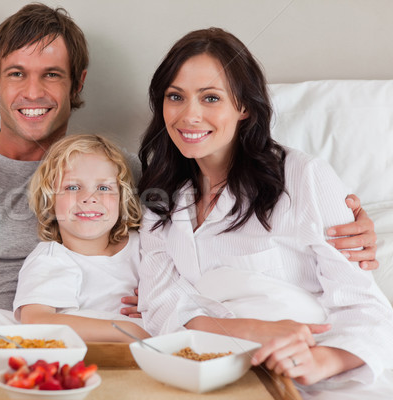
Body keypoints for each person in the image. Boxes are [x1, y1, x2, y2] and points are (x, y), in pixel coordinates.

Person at [0, 4, 377, 345]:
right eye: (16, 73)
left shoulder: (123, 171)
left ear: (78, 85)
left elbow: (207, 228)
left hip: (75, 345)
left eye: (52, 75)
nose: (32, 92)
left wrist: (339, 228)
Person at [137, 27, 393, 392]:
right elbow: (159, 307)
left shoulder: (303, 177)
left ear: (243, 106)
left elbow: (366, 309)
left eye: (210, 98)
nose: (188, 116)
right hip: (211, 374)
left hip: (311, 377)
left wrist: (321, 360)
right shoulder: (158, 196)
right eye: (175, 96)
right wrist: (251, 329)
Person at [13, 134, 149, 342]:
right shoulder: (51, 258)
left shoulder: (143, 244)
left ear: (122, 200)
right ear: (50, 201)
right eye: (73, 187)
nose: (89, 197)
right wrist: (125, 330)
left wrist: (154, 305)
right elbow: (35, 320)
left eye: (104, 188)